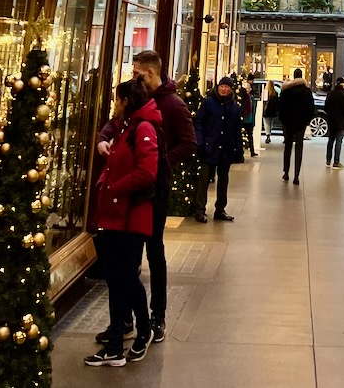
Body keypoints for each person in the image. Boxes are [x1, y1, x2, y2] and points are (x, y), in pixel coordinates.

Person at [97, 49, 196, 344]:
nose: (134, 77)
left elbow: (190, 142)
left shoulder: (174, 106)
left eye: (138, 73)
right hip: (128, 192)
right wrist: (103, 139)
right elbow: (115, 122)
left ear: (151, 73)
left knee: (153, 250)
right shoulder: (135, 99)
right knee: (126, 256)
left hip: (154, 191)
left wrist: (158, 161)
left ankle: (157, 316)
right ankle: (124, 319)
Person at [85, 77, 160, 367]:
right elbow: (114, 155)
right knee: (116, 280)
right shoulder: (126, 126)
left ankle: (144, 330)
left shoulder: (142, 129)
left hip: (131, 218)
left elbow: (147, 172)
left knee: (126, 278)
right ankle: (115, 344)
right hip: (116, 217)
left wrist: (115, 186)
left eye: (117, 99)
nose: (114, 105)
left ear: (126, 101)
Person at [194, 75, 244, 222]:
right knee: (204, 180)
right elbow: (199, 123)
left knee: (223, 180)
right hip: (209, 147)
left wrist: (238, 148)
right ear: (218, 87)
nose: (224, 89)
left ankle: (220, 209)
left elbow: (236, 130)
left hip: (225, 149)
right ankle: (200, 210)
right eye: (222, 86)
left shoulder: (234, 107)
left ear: (230, 89)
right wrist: (201, 143)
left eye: (227, 87)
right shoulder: (208, 103)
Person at [277, 67, 315, 185]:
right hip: (301, 123)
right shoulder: (306, 91)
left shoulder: (286, 90)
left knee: (287, 146)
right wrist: (306, 121)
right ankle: (297, 175)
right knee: (299, 147)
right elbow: (311, 108)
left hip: (288, 122)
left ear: (294, 76)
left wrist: (283, 120)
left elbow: (281, 107)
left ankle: (286, 172)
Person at [324, 76, 344, 166]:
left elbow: (326, 107)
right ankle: (336, 161)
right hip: (341, 121)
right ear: (343, 84)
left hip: (331, 120)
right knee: (338, 141)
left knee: (330, 141)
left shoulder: (330, 94)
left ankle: (328, 160)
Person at [239, 78, 257, 157]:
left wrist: (253, 121)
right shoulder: (241, 98)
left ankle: (252, 151)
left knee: (250, 136)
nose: (247, 90)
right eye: (246, 88)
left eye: (248, 88)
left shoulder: (251, 98)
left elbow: (253, 110)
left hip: (249, 119)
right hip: (243, 119)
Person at [262, 79, 280, 143]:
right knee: (270, 123)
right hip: (272, 111)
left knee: (266, 123)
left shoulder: (266, 92)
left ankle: (267, 135)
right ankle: (269, 134)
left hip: (266, 111)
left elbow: (263, 102)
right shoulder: (275, 93)